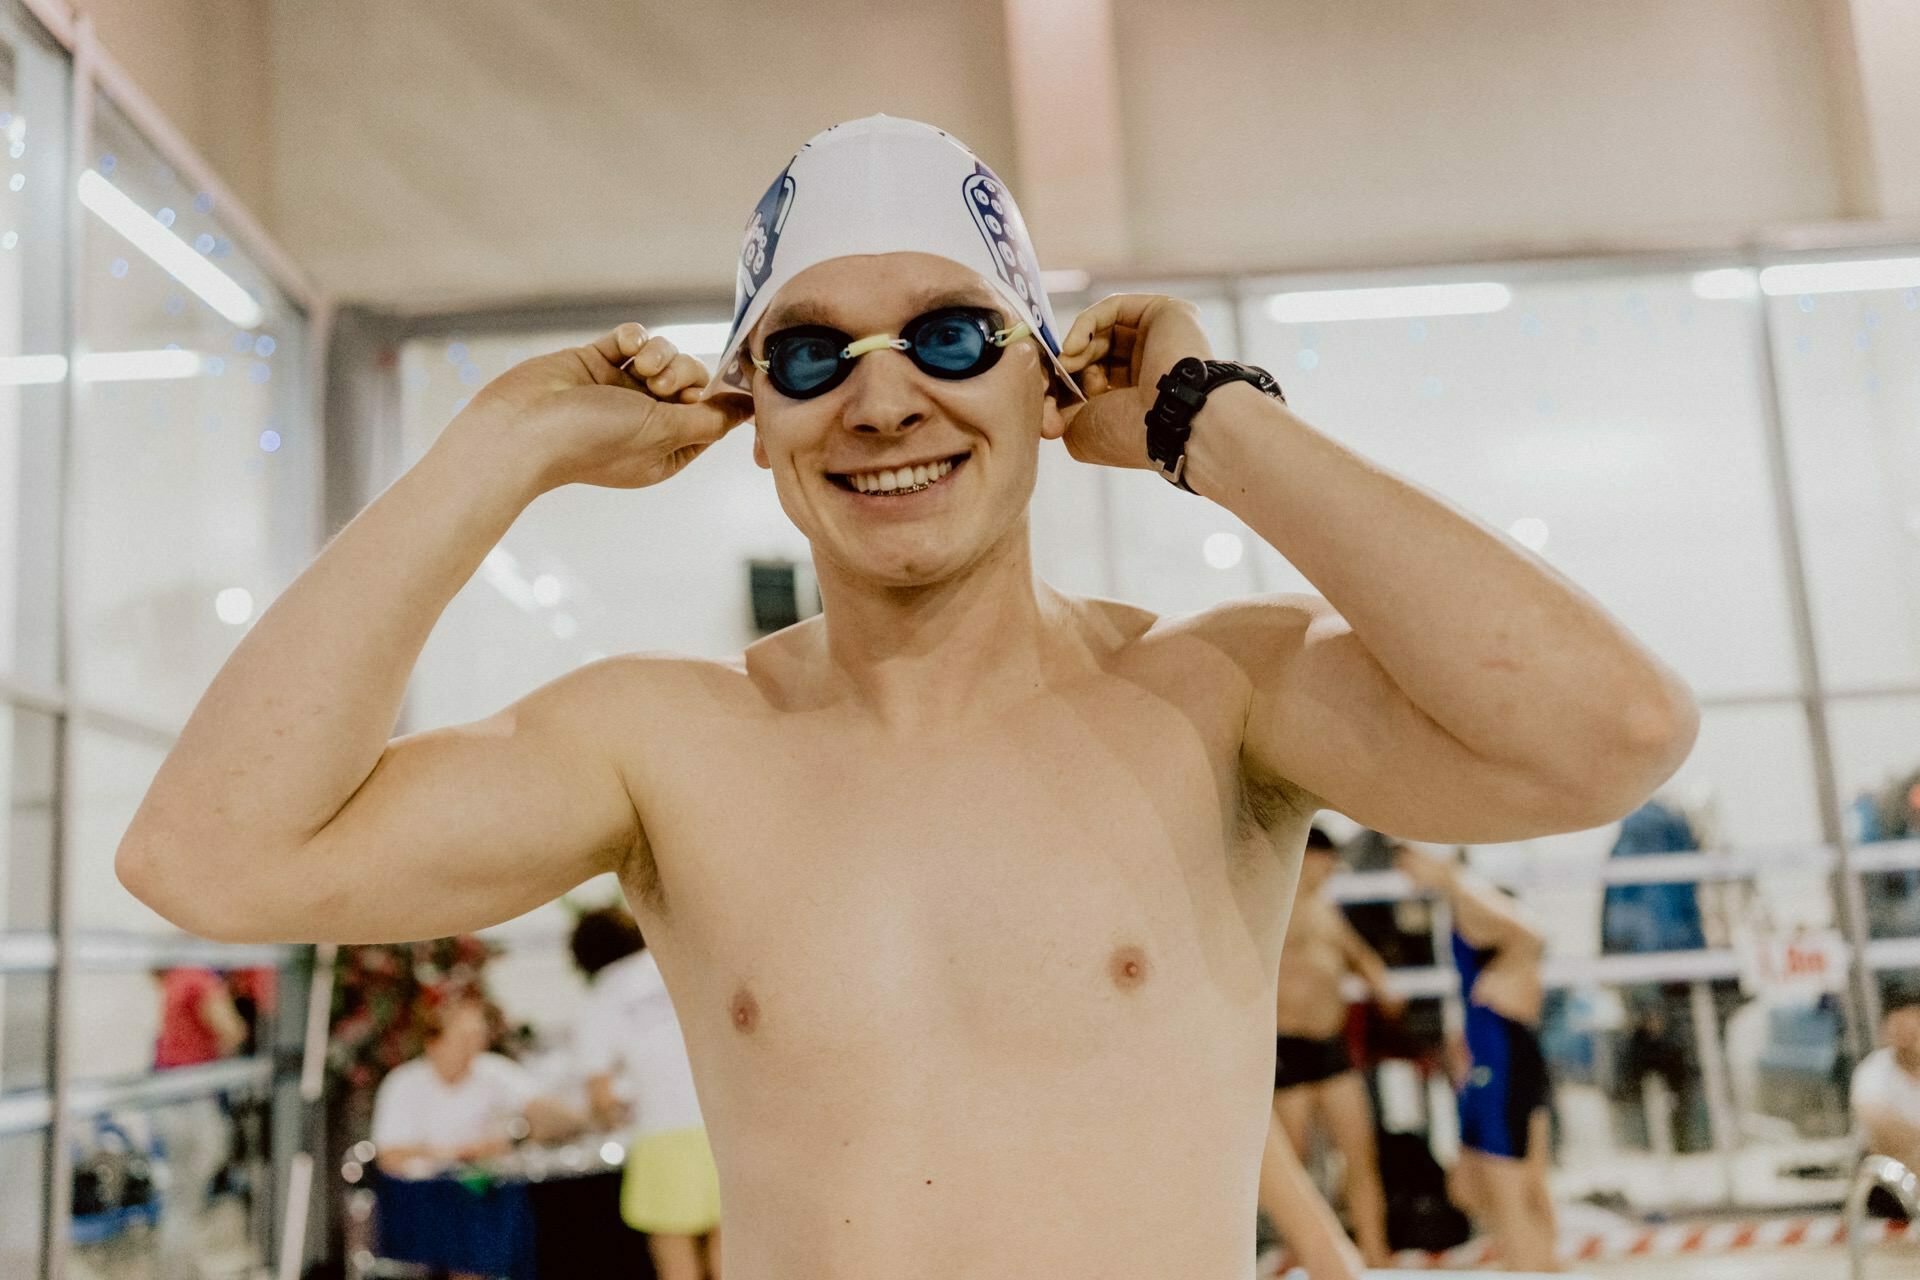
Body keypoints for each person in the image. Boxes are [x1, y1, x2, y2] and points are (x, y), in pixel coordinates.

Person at [117, 114, 1697, 1278]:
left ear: (1049, 378)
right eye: (808, 356)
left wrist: (1211, 421)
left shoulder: (1214, 694)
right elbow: (213, 856)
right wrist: (494, 451)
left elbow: (1608, 731)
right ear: (754, 416)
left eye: (951, 335)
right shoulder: (664, 745)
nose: (884, 400)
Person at [1397, 842, 1559, 1272]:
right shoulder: (1457, 898)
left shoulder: (1466, 889)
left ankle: (1530, 1266)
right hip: (1498, 1053)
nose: (1401, 865)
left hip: (1502, 1056)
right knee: (1472, 1186)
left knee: (1508, 1192)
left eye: (1407, 854)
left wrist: (1504, 977)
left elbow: (1533, 934)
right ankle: (1540, 1264)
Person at [1270, 827, 1403, 1265]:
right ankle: (1304, 1255)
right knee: (1296, 1166)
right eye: (1327, 860)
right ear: (1308, 858)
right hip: (1288, 1048)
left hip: (1332, 1047)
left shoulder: (1328, 911)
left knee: (1360, 1156)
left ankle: (1375, 1253)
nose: (1333, 870)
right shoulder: (1273, 908)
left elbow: (1360, 958)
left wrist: (1382, 984)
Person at [569, 906, 721, 1280]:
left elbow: (601, 1096)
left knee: (676, 1258)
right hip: (721, 1125)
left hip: (661, 1135)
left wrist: (612, 1111)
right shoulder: (679, 967)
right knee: (729, 1251)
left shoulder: (602, 996)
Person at [371, 995, 579, 1178]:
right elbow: (389, 1156)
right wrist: (462, 1153)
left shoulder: (493, 1070)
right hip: (426, 1196)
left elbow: (559, 1117)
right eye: (463, 1038)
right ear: (433, 1042)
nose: (474, 1047)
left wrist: (520, 1133)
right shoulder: (404, 1083)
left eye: (479, 1036)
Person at [1851, 997, 1920, 1173]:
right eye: (1900, 1029)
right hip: (1888, 1177)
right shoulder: (1873, 1071)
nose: (1908, 1038)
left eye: (1913, 1030)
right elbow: (1884, 1132)